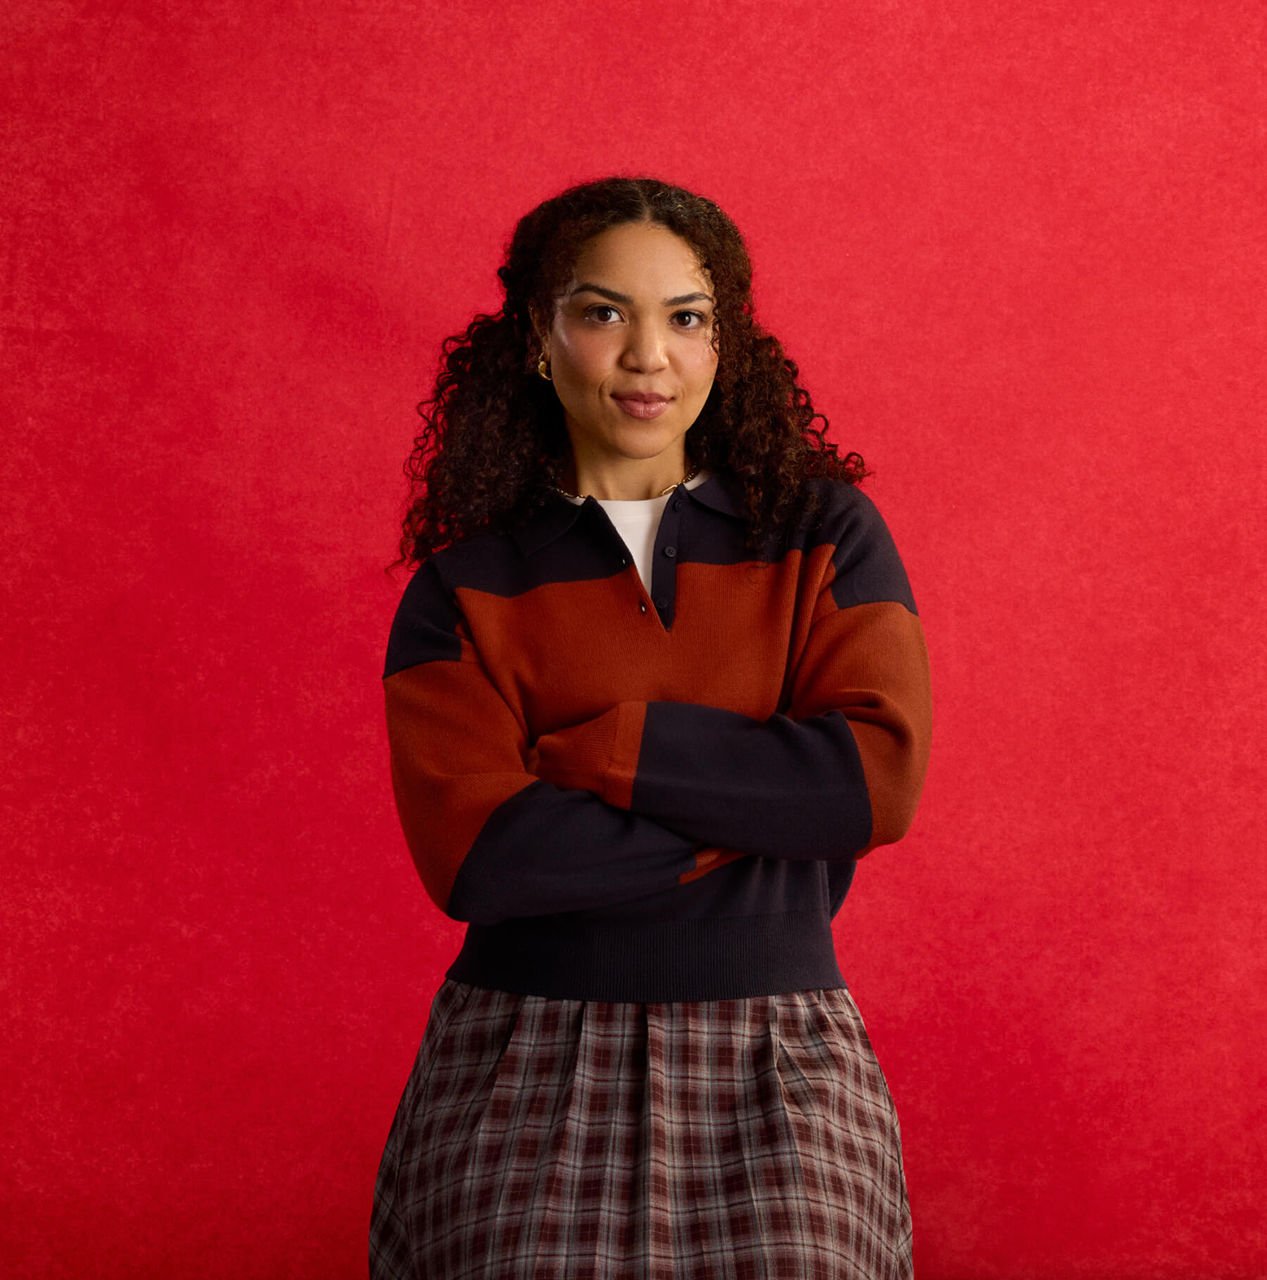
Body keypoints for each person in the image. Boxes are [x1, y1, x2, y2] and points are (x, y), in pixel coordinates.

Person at [369, 176, 932, 1280]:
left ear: (725, 340)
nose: (647, 356)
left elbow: (874, 784)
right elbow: (484, 857)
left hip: (782, 1055)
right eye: (601, 312)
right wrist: (769, 804)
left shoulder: (823, 534)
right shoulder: (461, 588)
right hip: (518, 1056)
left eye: (685, 316)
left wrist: (606, 747)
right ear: (538, 336)